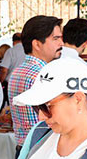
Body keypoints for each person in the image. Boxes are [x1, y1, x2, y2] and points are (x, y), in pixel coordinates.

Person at [8, 16, 63, 151]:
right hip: (41, 150)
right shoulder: (43, 75)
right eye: (55, 38)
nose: (61, 43)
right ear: (37, 44)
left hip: (25, 148)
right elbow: (58, 119)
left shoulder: (18, 71)